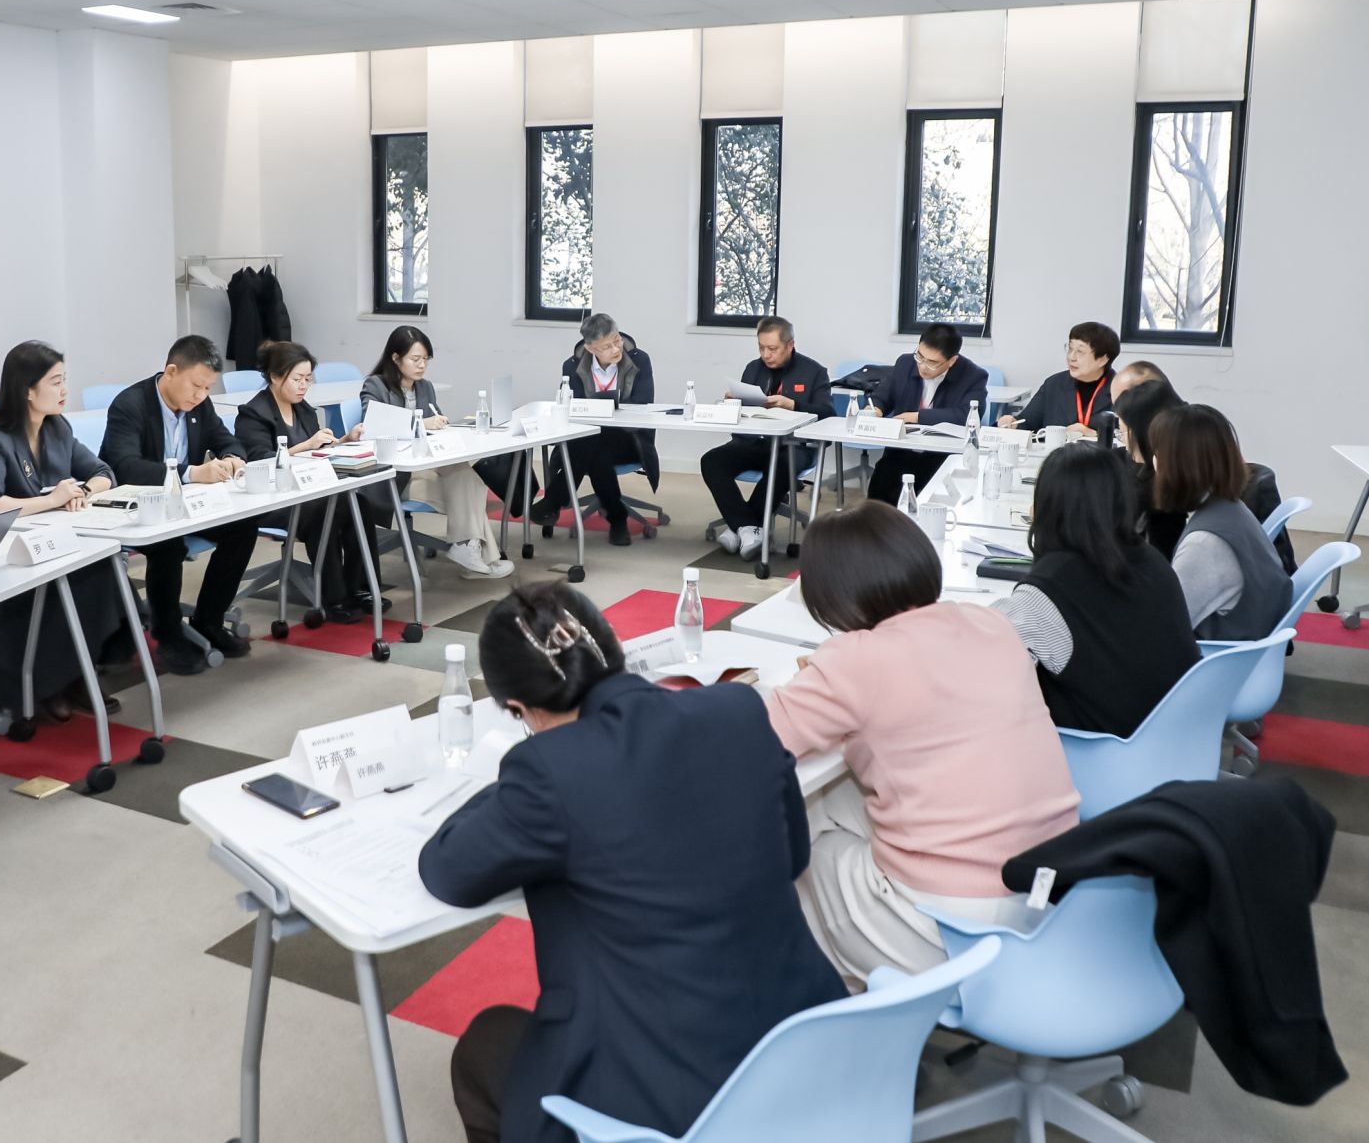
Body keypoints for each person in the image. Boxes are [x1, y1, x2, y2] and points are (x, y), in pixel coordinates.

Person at [422, 582, 844, 1143]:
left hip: (673, 1101)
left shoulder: (548, 771)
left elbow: (448, 871)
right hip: (811, 1055)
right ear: (614, 646)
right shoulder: (738, 709)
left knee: (485, 1043)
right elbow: (793, 854)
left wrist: (515, 775)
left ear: (521, 708)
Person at [767, 502, 1080, 983]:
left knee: (798, 836)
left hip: (952, 923)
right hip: (1050, 894)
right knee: (833, 796)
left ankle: (847, 998)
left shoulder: (857, 659)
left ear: (829, 594)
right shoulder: (991, 624)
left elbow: (762, 735)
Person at [0, 342, 128, 724]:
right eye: (55, 382)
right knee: (74, 579)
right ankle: (50, 684)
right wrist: (52, 500)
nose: (64, 390)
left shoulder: (58, 427)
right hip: (5, 555)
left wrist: (81, 490)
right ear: (27, 390)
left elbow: (104, 473)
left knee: (101, 568)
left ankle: (76, 674)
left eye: (64, 380)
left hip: (52, 543)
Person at [994, 444, 1200, 737]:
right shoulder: (1152, 560)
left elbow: (985, 662)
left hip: (1102, 752)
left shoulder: (1047, 593)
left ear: (1046, 506)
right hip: (1178, 737)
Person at [98, 334, 259, 675]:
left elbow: (227, 439)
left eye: (208, 389)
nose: (200, 396)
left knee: (243, 527)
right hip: (138, 509)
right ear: (171, 372)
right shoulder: (130, 405)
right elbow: (125, 467)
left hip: (188, 506)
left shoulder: (200, 404)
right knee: (168, 543)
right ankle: (168, 635)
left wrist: (233, 458)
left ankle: (209, 620)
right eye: (196, 386)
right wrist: (191, 473)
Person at [234, 340, 385, 622]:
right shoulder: (253, 413)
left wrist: (344, 440)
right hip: (272, 499)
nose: (304, 386)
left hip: (306, 489)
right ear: (275, 376)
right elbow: (260, 463)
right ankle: (334, 598)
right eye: (297, 379)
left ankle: (363, 587)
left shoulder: (302, 408)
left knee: (357, 503)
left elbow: (318, 450)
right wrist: (305, 446)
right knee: (324, 510)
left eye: (308, 379)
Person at [361, 325, 517, 579]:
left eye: (425, 359)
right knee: (469, 495)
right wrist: (421, 423)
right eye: (415, 359)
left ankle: (469, 551)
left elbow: (435, 424)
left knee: (468, 476)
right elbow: (373, 426)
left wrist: (444, 425)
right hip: (397, 475)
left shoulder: (425, 387)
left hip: (427, 464)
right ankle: (480, 556)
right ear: (396, 358)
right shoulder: (375, 385)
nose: (422, 365)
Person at [1150, 404, 1295, 641]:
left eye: (1157, 452)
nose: (1153, 461)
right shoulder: (1231, 507)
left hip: (1213, 656)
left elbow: (1163, 625)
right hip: (1247, 641)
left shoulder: (1203, 544)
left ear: (1175, 464)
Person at [698, 316, 832, 561]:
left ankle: (739, 528)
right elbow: (744, 412)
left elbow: (828, 414)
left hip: (794, 447)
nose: (766, 355)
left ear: (790, 345)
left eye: (772, 349)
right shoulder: (753, 368)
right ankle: (747, 527)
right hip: (753, 442)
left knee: (783, 463)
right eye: (761, 348)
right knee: (712, 461)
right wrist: (734, 403)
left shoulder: (814, 372)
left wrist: (794, 405)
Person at [531, 313, 659, 547]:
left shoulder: (640, 360)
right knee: (596, 449)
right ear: (590, 348)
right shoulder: (572, 366)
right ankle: (617, 518)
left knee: (591, 444)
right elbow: (571, 406)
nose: (616, 349)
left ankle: (553, 501)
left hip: (629, 438)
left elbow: (642, 403)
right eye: (606, 346)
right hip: (588, 439)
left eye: (617, 340)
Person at [860, 322, 991, 502]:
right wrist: (875, 408)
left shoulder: (973, 376)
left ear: (952, 360)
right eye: (920, 356)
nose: (923, 366)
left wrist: (917, 417)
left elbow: (966, 416)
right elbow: (884, 394)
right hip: (902, 451)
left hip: (941, 456)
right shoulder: (905, 363)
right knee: (880, 491)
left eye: (932, 362)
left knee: (927, 500)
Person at [998, 320, 1119, 435]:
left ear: (1102, 359)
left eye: (1080, 351)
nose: (1071, 357)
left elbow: (1127, 437)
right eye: (1070, 348)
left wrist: (1095, 435)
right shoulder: (1053, 384)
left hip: (1100, 451)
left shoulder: (1121, 390)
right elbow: (1027, 423)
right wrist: (1012, 423)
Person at [1115, 378, 1188, 557]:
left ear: (1143, 433)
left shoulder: (1156, 490)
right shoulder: (1174, 466)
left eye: (1123, 432)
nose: (1123, 441)